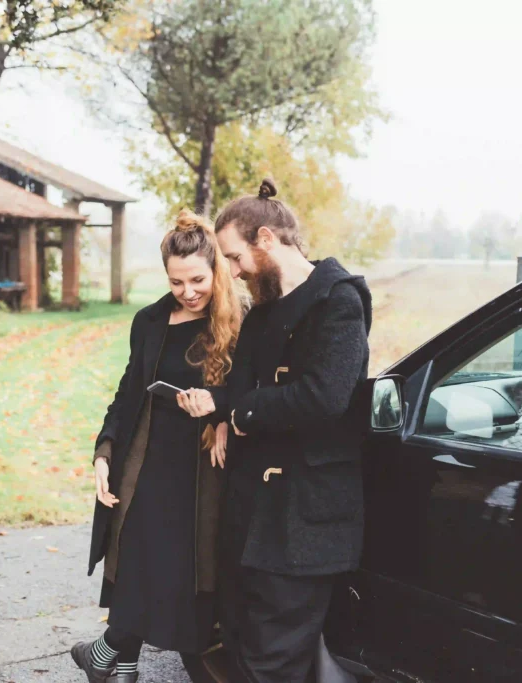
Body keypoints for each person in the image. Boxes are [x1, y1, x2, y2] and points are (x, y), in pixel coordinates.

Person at [180, 178, 372, 683]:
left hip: (304, 520)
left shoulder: (338, 301)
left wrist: (243, 415)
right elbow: (243, 386)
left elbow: (324, 396)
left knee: (274, 659)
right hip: (252, 515)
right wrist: (217, 408)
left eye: (235, 257)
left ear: (266, 239)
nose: (234, 271)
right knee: (241, 642)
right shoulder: (264, 310)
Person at [73, 210, 241, 683]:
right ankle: (119, 662)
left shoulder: (238, 320)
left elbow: (250, 389)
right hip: (146, 461)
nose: (188, 292)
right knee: (137, 559)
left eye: (197, 280)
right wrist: (104, 452)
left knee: (180, 569)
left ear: (216, 271)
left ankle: (106, 652)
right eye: (176, 281)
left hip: (203, 469)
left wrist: (219, 409)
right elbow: (128, 393)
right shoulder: (149, 320)